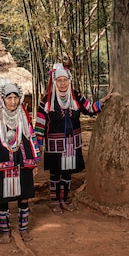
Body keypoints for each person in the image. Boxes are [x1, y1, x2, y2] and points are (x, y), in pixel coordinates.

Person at [35, 62, 112, 213]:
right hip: (54, 144)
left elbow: (89, 108)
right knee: (55, 173)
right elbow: (40, 123)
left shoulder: (76, 96)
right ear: (55, 82)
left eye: (65, 80)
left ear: (69, 81)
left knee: (67, 172)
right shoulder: (47, 100)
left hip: (72, 142)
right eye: (59, 80)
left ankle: (65, 199)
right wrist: (39, 144)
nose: (62, 83)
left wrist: (103, 100)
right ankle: (55, 201)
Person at [0, 79, 40, 243]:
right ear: (2, 99)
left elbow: (31, 138)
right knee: (3, 199)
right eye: (9, 98)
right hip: (1, 164)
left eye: (15, 98)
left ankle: (23, 229)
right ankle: (5, 231)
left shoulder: (23, 116)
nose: (13, 101)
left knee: (24, 197)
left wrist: (34, 161)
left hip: (23, 163)